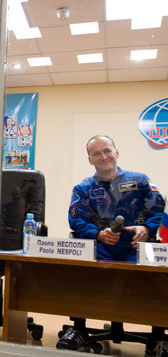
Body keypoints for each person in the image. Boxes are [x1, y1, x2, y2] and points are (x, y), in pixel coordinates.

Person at [56, 135, 166, 356]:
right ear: (90, 159)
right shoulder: (83, 188)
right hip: (101, 249)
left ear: (117, 152)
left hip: (137, 250)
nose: (103, 156)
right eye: (96, 153)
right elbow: (76, 221)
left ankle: (157, 337)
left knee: (160, 276)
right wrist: (97, 234)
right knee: (78, 271)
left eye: (106, 150)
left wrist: (146, 229)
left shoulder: (141, 181)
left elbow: (159, 211)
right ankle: (79, 329)